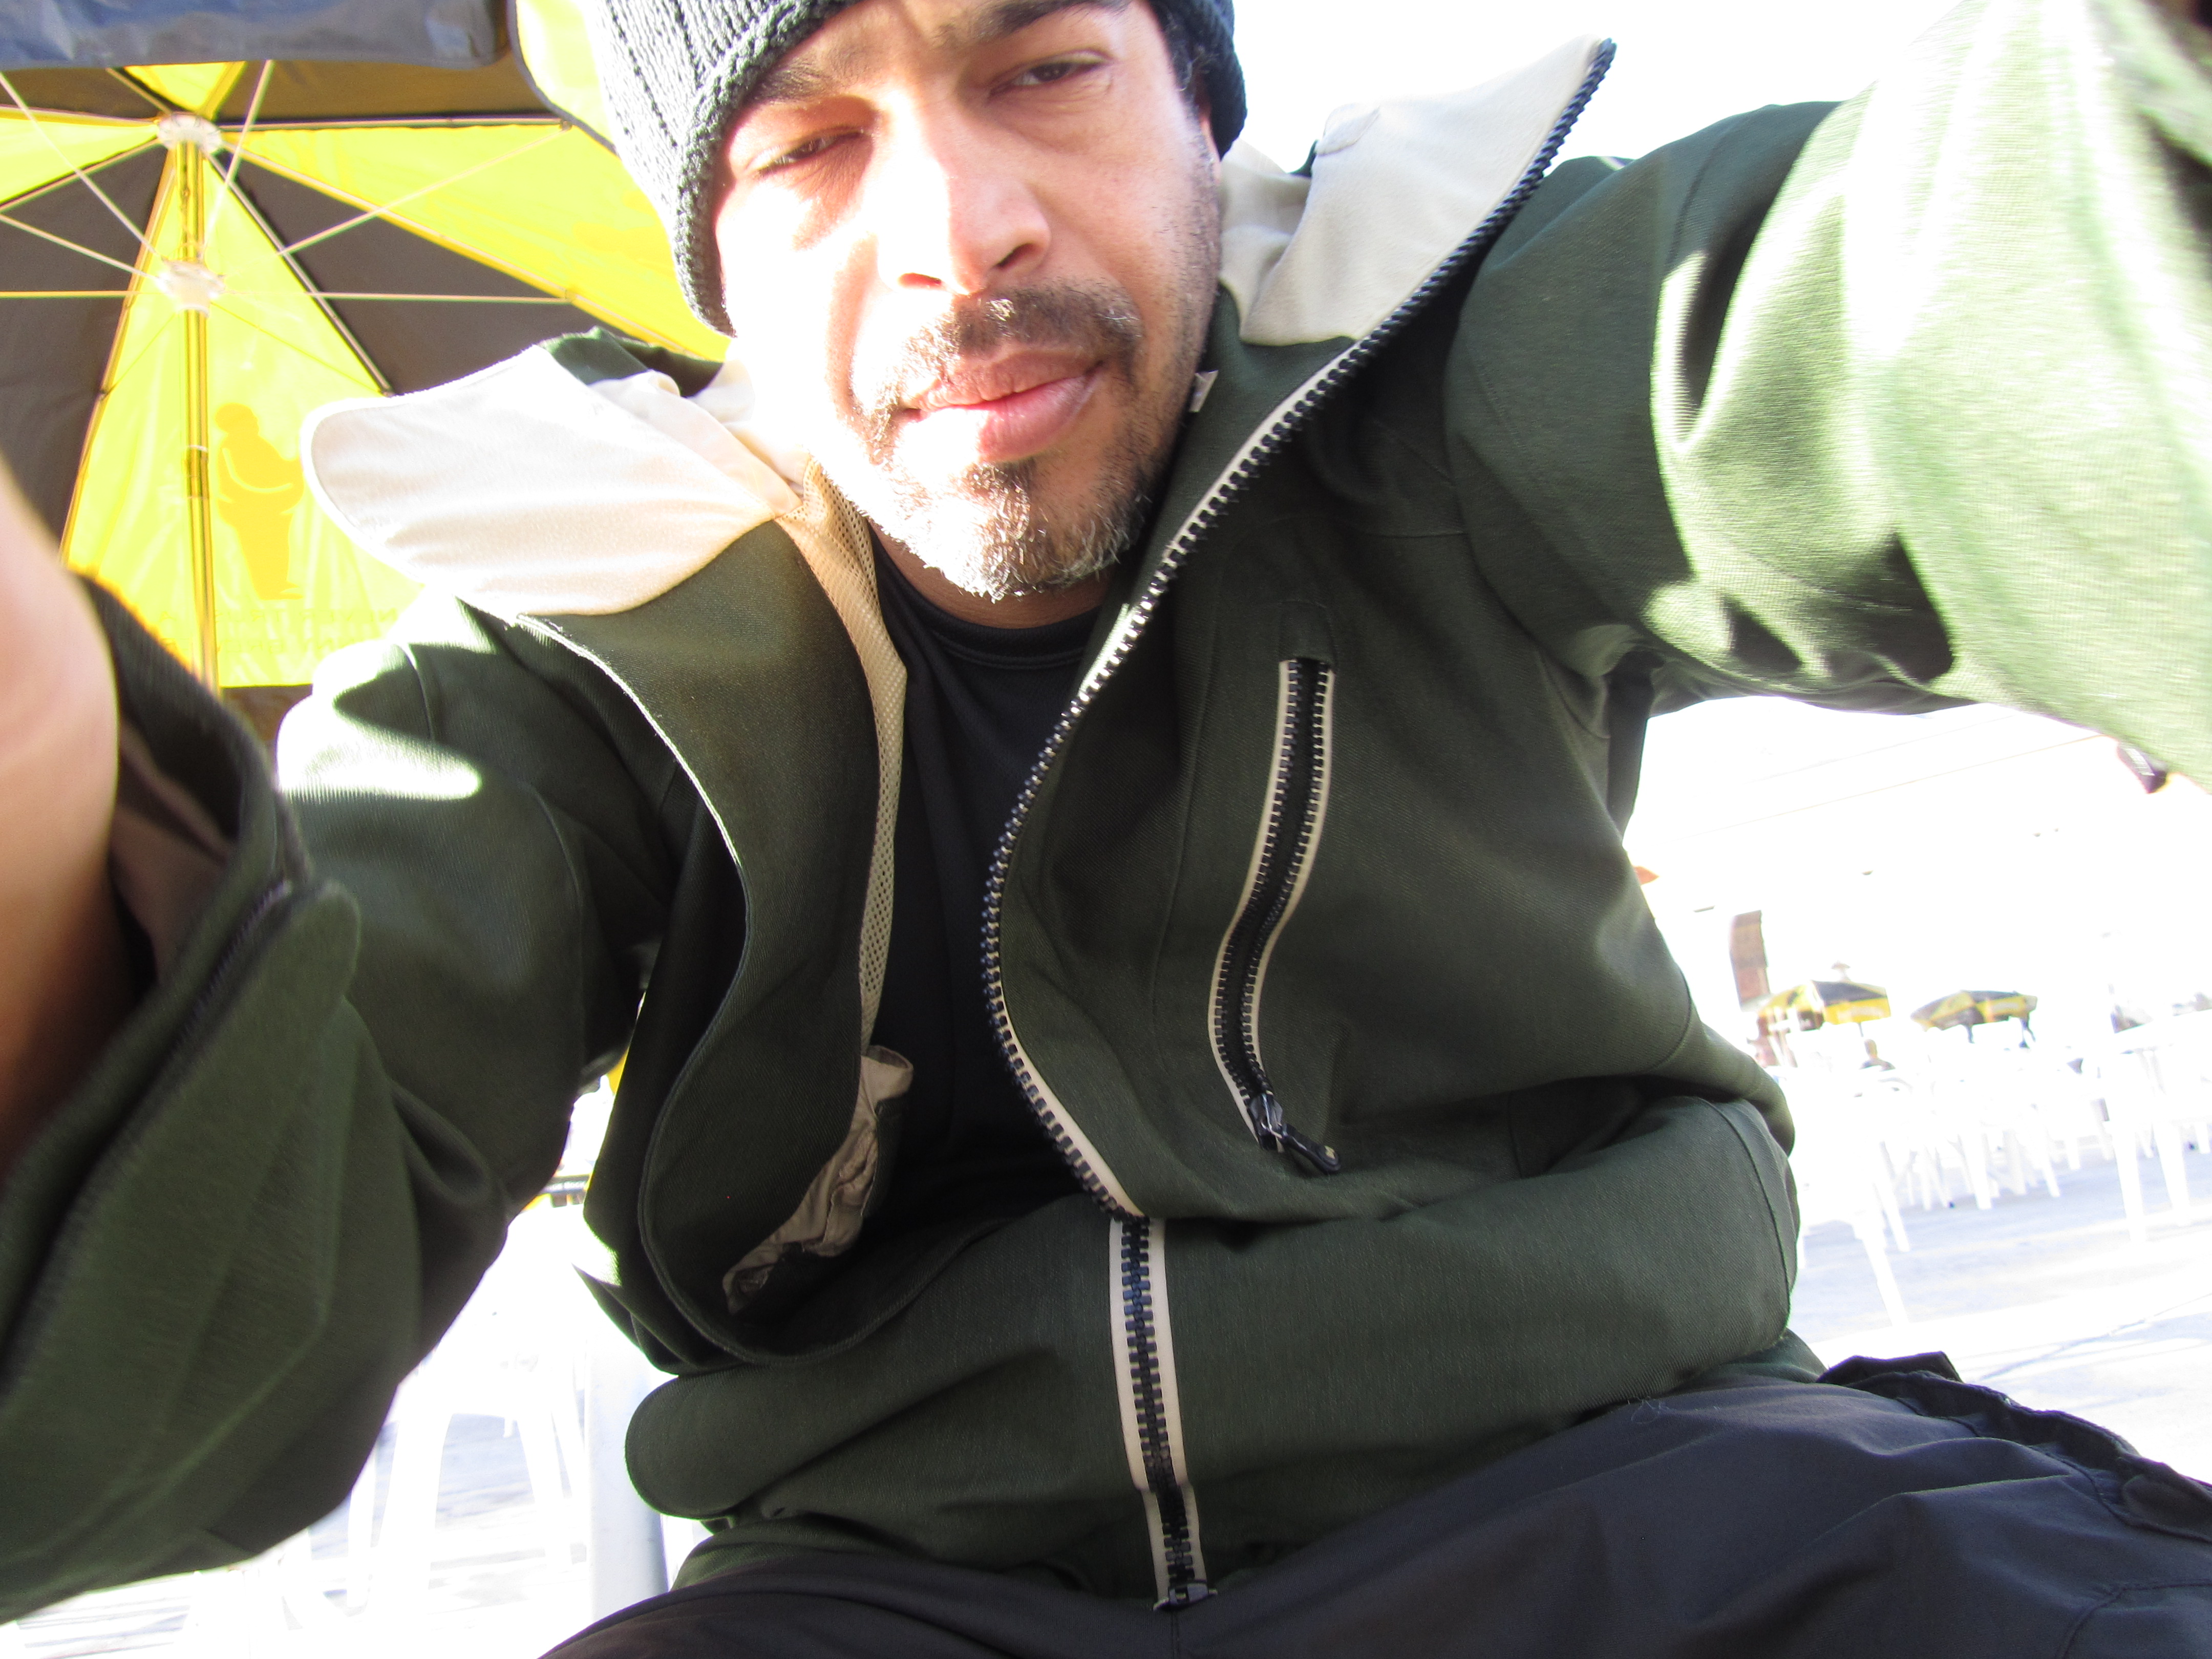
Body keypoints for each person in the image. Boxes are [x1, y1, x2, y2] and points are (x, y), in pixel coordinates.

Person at [4, 0, 2211, 1649]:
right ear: (715, 270)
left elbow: (1907, 329)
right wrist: (34, 843)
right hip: (886, 1590)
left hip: (1647, 1490)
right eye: (809, 145)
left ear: (1199, 105)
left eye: (1043, 67)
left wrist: (2155, 141)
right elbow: (209, 1317)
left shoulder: (1464, 364)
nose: (959, 232)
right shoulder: (569, 633)